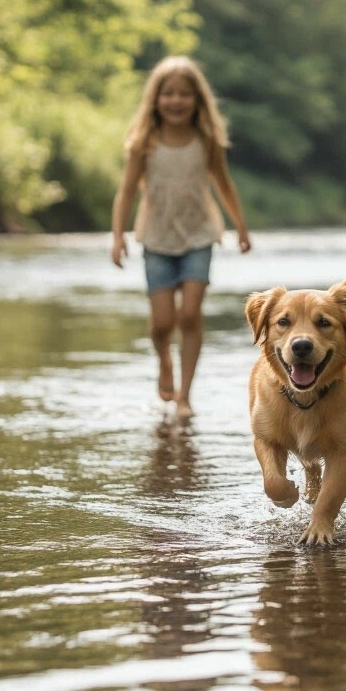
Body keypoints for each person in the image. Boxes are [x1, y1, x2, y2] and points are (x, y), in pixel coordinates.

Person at [111, 55, 251, 419]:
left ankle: (185, 395)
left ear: (198, 100)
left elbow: (224, 185)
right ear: (156, 99)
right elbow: (126, 191)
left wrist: (241, 228)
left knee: (189, 314)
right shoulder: (143, 142)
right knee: (161, 324)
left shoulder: (206, 140)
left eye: (184, 94)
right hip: (156, 238)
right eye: (168, 93)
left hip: (198, 236)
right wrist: (117, 236)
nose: (176, 101)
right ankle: (164, 364)